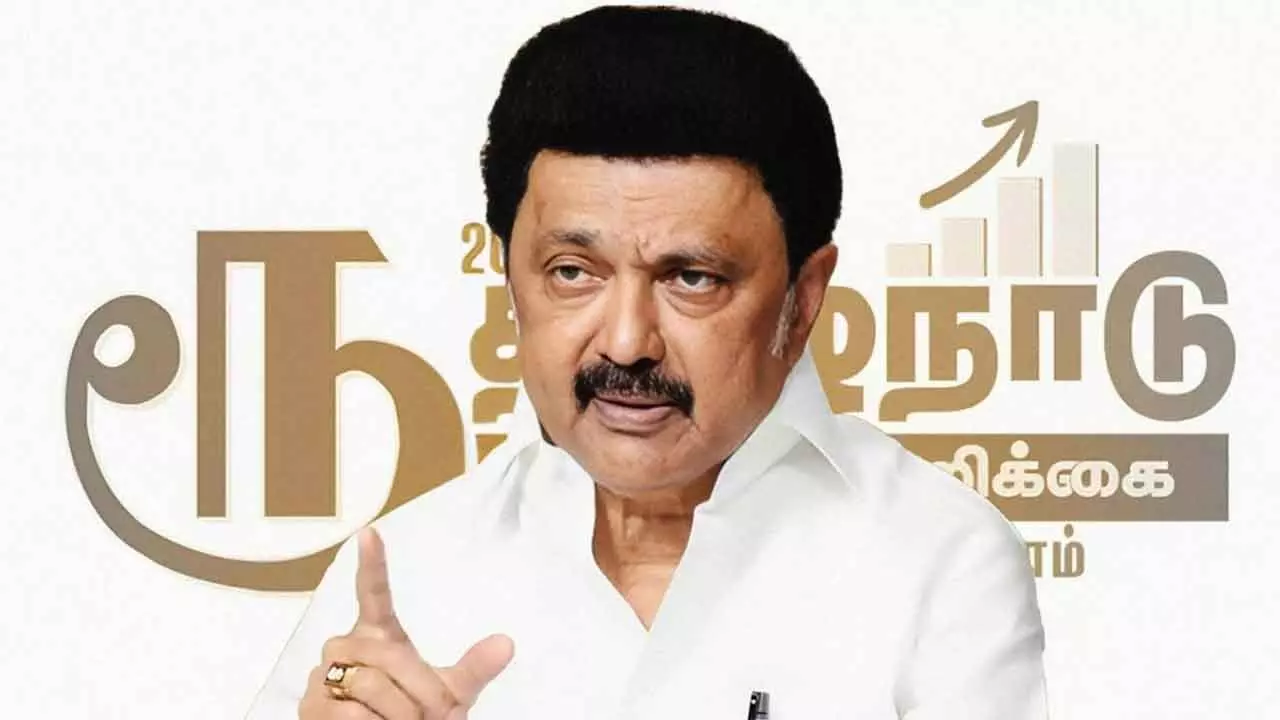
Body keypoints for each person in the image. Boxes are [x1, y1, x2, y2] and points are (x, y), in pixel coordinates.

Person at [245, 5, 1048, 719]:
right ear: (509, 275)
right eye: (572, 272)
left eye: (691, 278)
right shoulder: (405, 571)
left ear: (803, 298)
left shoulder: (939, 557)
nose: (627, 342)